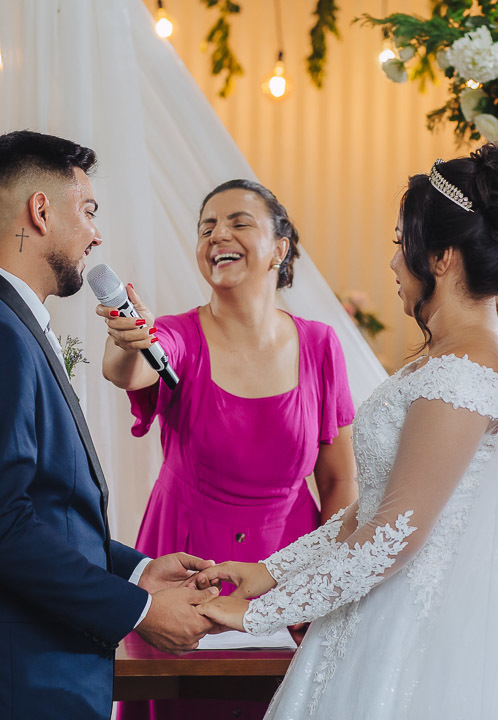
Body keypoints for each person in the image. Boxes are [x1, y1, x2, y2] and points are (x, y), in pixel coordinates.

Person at [194, 139, 498, 719]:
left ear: (443, 257)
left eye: (404, 245)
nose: (395, 262)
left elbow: (396, 534)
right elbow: (372, 510)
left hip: (439, 629)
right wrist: (268, 572)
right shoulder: (444, 361)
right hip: (392, 606)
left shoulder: (465, 370)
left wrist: (257, 615)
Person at [0, 130, 220, 720]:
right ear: (40, 211)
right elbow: (0, 529)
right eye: (89, 209)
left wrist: (140, 569)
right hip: (5, 683)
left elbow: (43, 510)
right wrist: (140, 612)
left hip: (27, 673)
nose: (97, 234)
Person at [99, 179, 358, 720]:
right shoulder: (177, 335)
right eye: (207, 227)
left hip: (285, 571)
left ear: (279, 248)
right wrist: (128, 341)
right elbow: (130, 371)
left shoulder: (319, 344)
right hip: (186, 565)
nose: (220, 234)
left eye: (239, 222)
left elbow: (339, 482)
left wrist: (324, 585)